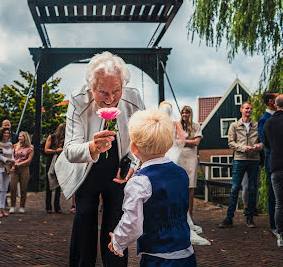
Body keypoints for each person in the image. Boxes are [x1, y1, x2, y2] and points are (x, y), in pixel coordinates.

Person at [54, 51, 144, 266]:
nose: (111, 99)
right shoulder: (77, 100)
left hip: (118, 172)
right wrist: (93, 147)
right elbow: (70, 149)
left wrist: (132, 162)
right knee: (84, 219)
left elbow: (142, 139)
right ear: (91, 87)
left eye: (116, 91)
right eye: (103, 92)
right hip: (87, 170)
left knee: (116, 225)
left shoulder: (134, 98)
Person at [108, 109, 196, 266]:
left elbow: (132, 223)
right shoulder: (182, 173)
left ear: (133, 148)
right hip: (186, 253)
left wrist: (118, 242)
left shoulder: (139, 182)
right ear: (170, 144)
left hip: (157, 256)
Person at [219, 101, 263, 228]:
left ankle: (250, 217)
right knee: (234, 188)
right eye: (246, 108)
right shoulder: (234, 125)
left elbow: (263, 142)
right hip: (239, 159)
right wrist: (243, 148)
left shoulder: (257, 125)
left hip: (254, 159)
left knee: (252, 188)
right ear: (241, 110)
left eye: (250, 108)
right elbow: (231, 143)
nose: (249, 110)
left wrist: (257, 146)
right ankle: (229, 218)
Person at [263, 94, 283, 247]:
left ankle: (282, 237)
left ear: (276, 105)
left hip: (276, 166)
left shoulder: (268, 123)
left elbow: (267, 144)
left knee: (280, 204)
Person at [257, 90, 279, 237]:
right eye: (277, 97)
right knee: (274, 195)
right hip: (274, 161)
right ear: (271, 101)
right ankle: (274, 225)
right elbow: (265, 141)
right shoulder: (263, 120)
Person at [179, 105, 203, 218]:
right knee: (180, 187)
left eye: (187, 113)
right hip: (179, 157)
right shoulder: (178, 126)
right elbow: (173, 141)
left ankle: (190, 215)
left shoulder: (196, 126)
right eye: (183, 112)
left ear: (190, 114)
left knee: (190, 187)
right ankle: (181, 214)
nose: (185, 115)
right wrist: (189, 141)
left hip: (191, 158)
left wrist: (183, 141)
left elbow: (196, 142)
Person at [9, 131, 34, 214]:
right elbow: (11, 157)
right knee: (13, 187)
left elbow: (29, 160)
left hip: (24, 168)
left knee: (23, 188)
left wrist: (19, 164)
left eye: (21, 136)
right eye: (19, 136)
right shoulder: (15, 146)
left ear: (25, 138)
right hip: (15, 168)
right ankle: (12, 206)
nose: (19, 138)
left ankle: (22, 206)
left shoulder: (30, 147)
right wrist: (12, 165)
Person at [0, 127, 15, 218]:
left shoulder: (10, 144)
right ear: (1, 134)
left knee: (5, 188)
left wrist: (13, 164)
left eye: (7, 133)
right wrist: (8, 160)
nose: (6, 135)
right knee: (0, 187)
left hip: (8, 167)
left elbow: (12, 155)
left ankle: (3, 208)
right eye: (5, 133)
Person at [44, 123, 66, 213]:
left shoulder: (66, 139)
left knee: (58, 186)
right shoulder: (51, 137)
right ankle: (48, 206)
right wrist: (56, 151)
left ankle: (57, 206)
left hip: (61, 162)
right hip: (51, 161)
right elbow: (46, 149)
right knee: (49, 184)